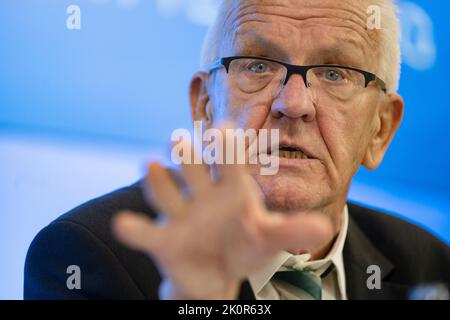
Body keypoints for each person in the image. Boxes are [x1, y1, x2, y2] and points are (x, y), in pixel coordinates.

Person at [24, 0, 450, 300]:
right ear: (204, 108)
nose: (293, 104)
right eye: (258, 65)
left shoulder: (430, 267)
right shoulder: (86, 258)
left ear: (380, 130)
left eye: (335, 73)